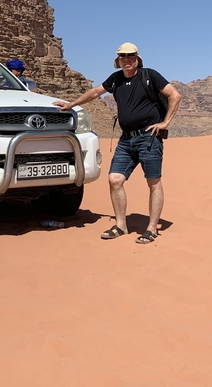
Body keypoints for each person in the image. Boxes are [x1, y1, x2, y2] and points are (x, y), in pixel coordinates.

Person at [53, 42, 181, 243]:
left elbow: (175, 95)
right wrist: (71, 104)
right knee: (114, 179)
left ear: (137, 58)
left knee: (153, 182)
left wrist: (165, 123)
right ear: (118, 60)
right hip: (126, 139)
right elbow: (95, 92)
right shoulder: (117, 79)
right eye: (123, 57)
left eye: (130, 56)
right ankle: (121, 225)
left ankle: (151, 228)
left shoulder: (150, 76)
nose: (127, 60)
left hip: (148, 138)